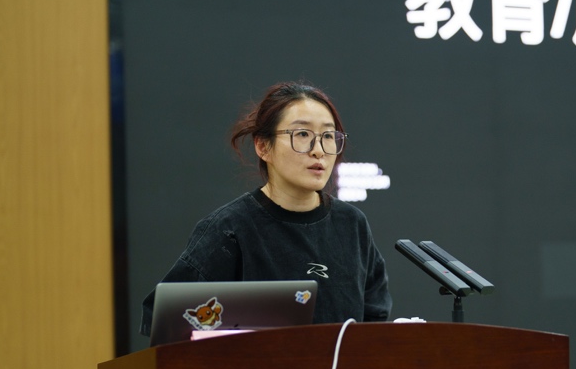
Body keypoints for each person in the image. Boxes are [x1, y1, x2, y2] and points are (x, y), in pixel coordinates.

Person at [140, 82, 392, 334]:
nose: (318, 151)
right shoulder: (230, 229)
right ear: (263, 147)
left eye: (328, 136)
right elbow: (165, 319)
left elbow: (374, 317)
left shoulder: (351, 224)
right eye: (302, 134)